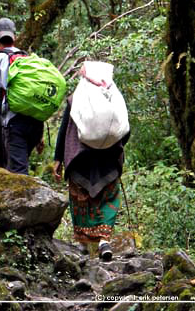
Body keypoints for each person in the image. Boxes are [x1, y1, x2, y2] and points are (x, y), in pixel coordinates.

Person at [52, 67, 130, 261]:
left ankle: (83, 244)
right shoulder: (114, 98)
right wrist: (114, 147)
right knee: (108, 198)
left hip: (80, 160)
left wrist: (58, 159)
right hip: (108, 162)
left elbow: (63, 131)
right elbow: (125, 130)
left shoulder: (74, 100)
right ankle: (104, 240)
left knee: (80, 200)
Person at [0, 18, 44, 175]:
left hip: (15, 123)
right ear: (15, 37)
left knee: (18, 172)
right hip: (35, 122)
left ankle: (28, 199)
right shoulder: (27, 58)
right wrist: (40, 135)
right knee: (19, 164)